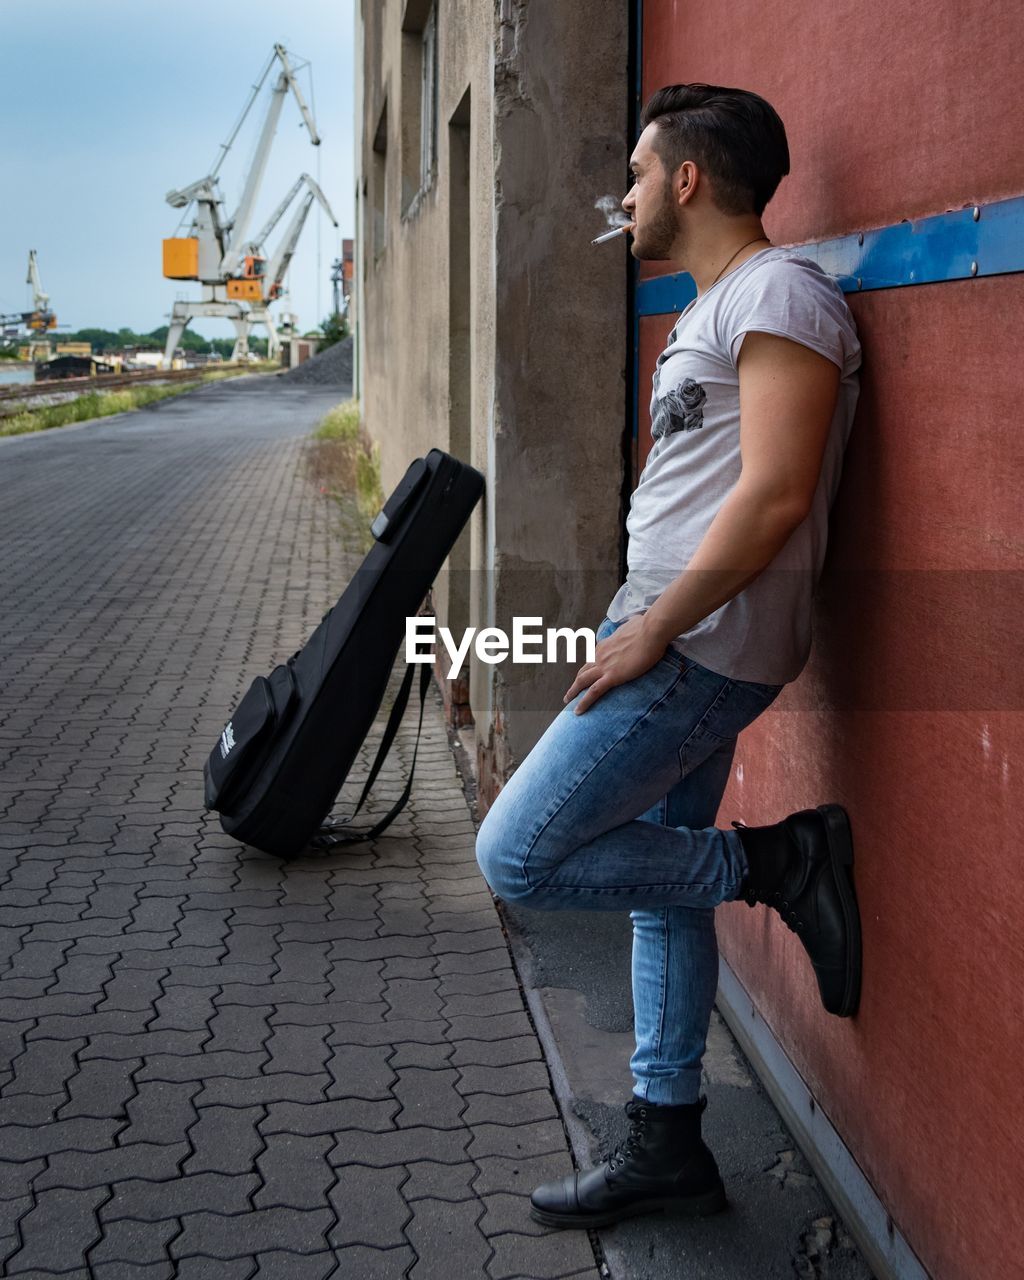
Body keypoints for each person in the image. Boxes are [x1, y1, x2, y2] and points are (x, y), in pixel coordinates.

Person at [474, 82, 864, 1231]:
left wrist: (652, 626)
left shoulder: (780, 293)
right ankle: (668, 1143)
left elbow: (780, 489)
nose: (628, 196)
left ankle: (780, 862)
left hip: (691, 644)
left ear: (686, 179)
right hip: (662, 627)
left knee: (519, 855)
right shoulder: (719, 305)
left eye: (638, 174)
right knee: (659, 893)